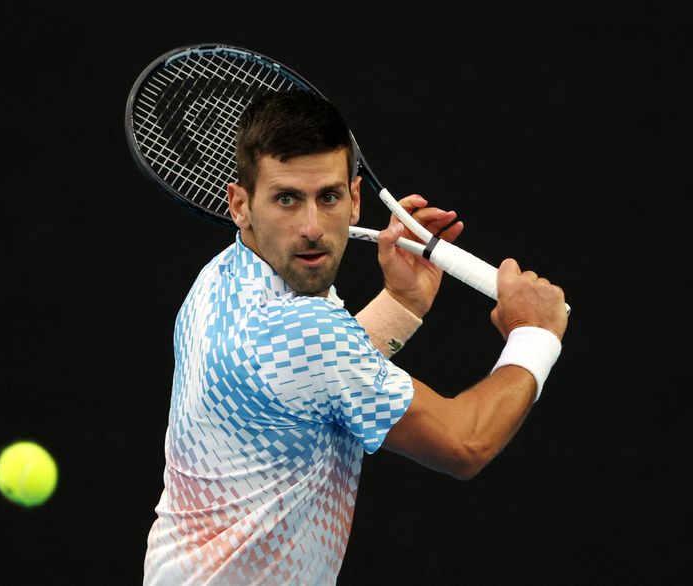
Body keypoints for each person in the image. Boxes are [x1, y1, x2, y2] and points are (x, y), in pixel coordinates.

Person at [143, 90, 568, 585]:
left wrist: (402, 303)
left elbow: (309, 387)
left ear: (355, 198)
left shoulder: (219, 281)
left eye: (328, 197)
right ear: (239, 203)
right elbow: (465, 444)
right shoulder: (302, 331)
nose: (312, 228)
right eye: (286, 199)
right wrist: (535, 333)